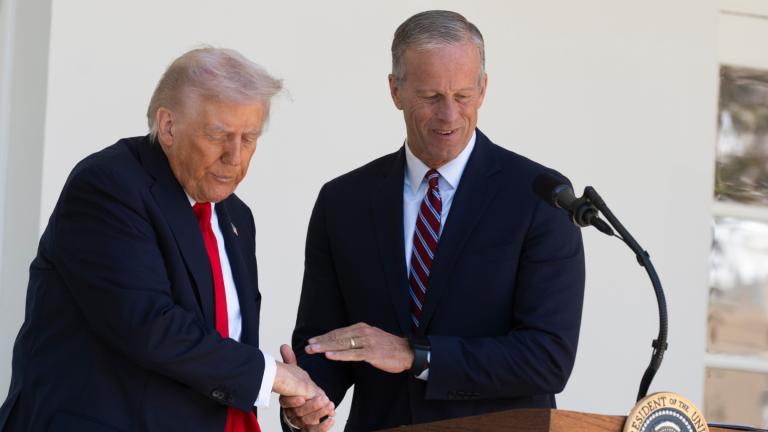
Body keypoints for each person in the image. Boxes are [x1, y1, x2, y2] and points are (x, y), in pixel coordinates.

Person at [280, 10, 586, 432]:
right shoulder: (343, 201)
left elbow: (547, 359)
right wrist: (306, 404)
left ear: (483, 89)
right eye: (430, 97)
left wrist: (416, 354)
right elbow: (327, 342)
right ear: (396, 90)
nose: (449, 115)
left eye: (463, 96)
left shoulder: (540, 197)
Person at [0, 47, 322, 431]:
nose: (235, 156)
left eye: (249, 138)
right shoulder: (108, 186)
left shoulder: (236, 216)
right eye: (219, 135)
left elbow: (225, 355)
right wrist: (271, 376)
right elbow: (150, 326)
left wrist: (292, 408)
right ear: (168, 126)